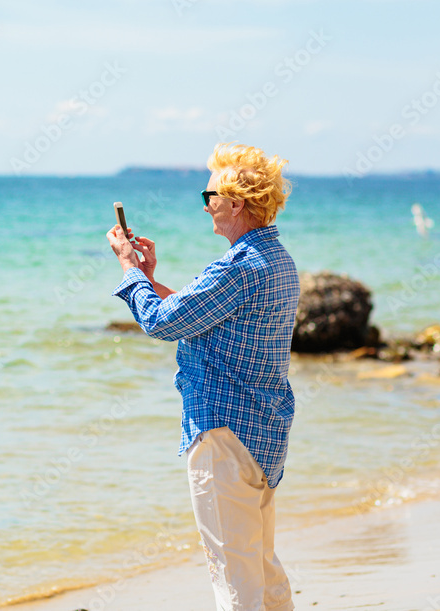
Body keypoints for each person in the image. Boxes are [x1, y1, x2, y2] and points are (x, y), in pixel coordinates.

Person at [106, 142, 300, 611]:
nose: (206, 206)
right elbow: (200, 314)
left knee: (234, 578)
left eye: (209, 196)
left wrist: (130, 268)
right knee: (260, 567)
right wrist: (151, 279)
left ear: (235, 204)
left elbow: (161, 323)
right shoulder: (277, 261)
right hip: (262, 432)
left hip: (223, 433)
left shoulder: (237, 266)